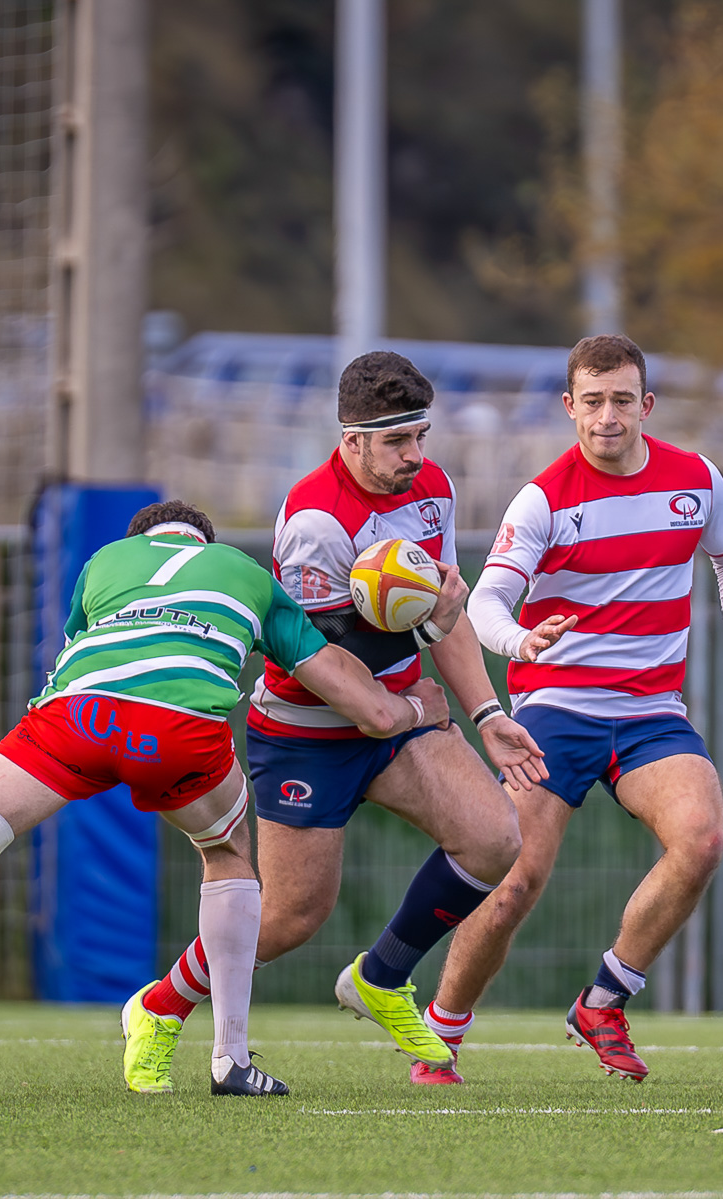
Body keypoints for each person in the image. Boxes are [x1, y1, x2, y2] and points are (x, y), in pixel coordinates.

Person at [0, 500, 451, 1098]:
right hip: (181, 726)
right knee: (227, 855)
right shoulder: (247, 573)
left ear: (143, 540)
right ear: (203, 540)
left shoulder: (101, 564)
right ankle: (229, 1058)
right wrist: (423, 704)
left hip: (72, 717)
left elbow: (71, 661)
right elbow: (374, 713)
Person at [126, 351, 539, 1090]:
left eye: (421, 436)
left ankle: (381, 977)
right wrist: (413, 683)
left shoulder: (434, 489)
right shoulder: (316, 517)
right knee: (288, 918)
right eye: (397, 442)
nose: (416, 456)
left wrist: (485, 712)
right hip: (309, 730)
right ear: (351, 440)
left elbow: (444, 616)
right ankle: (159, 1006)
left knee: (495, 838)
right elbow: (330, 657)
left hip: (403, 715)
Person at [426, 334, 723, 1083]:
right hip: (554, 706)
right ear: (570, 408)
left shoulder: (695, 479)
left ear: (646, 405)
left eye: (623, 400)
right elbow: (485, 600)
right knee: (514, 879)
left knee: (703, 838)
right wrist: (521, 640)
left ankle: (605, 998)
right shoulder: (546, 496)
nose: (608, 416)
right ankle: (442, 1030)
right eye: (593, 402)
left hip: (652, 710)